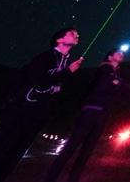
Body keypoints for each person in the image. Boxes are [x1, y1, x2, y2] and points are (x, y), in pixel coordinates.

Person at [0, 27, 84, 182]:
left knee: (14, 155)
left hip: (38, 115)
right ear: (59, 40)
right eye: (72, 33)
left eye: (77, 34)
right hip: (21, 111)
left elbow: (57, 88)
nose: (77, 35)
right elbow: (38, 83)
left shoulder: (67, 62)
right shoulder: (44, 58)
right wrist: (67, 72)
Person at [44, 48, 125, 182]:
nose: (121, 55)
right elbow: (103, 87)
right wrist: (115, 84)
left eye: (122, 54)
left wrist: (116, 83)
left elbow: (118, 87)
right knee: (72, 145)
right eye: (118, 53)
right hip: (91, 110)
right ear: (110, 57)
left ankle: (72, 178)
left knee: (87, 150)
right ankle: (51, 177)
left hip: (102, 113)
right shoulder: (104, 69)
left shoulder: (116, 74)